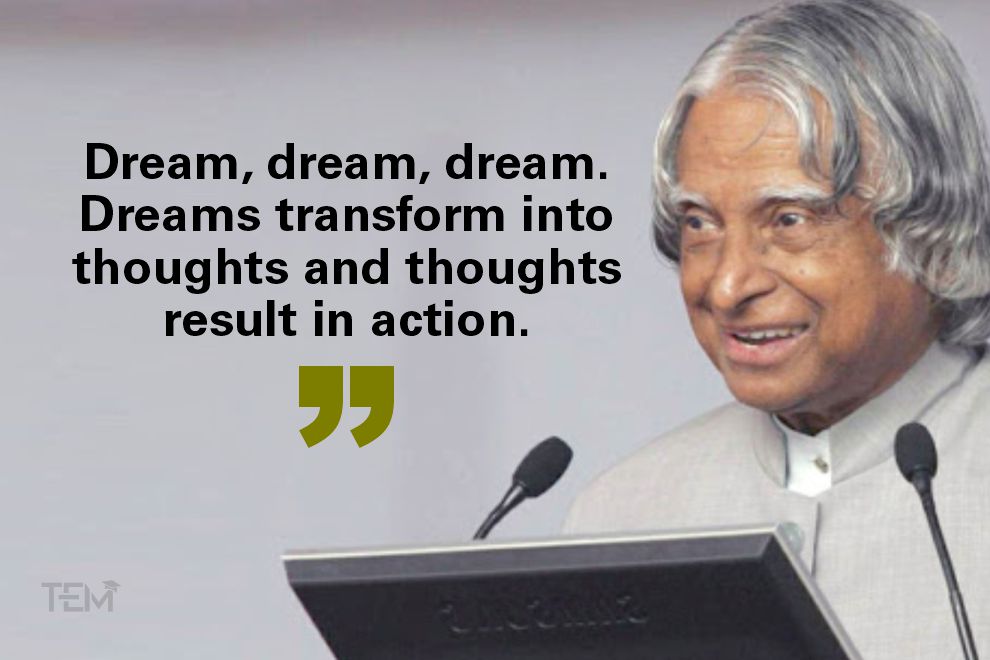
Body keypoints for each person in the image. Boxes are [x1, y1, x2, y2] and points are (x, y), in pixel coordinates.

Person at [563, 1, 990, 657]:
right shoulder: (622, 516)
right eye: (700, 223)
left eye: (789, 220)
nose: (727, 287)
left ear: (929, 226)